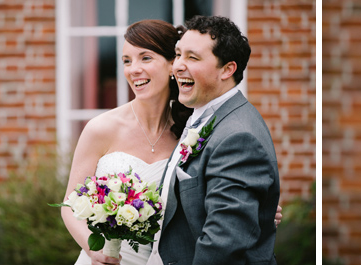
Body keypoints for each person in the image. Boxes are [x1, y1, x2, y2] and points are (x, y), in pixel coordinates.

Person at [60, 19, 281, 265]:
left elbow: (214, 203)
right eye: (126, 60)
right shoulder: (100, 128)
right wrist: (94, 250)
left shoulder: (193, 129)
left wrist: (258, 211)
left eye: (145, 58)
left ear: (170, 65)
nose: (133, 69)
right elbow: (70, 202)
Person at [157, 16, 280, 265]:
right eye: (178, 54)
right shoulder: (205, 116)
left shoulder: (238, 137)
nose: (178, 66)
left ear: (227, 69)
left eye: (192, 57)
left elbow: (224, 243)